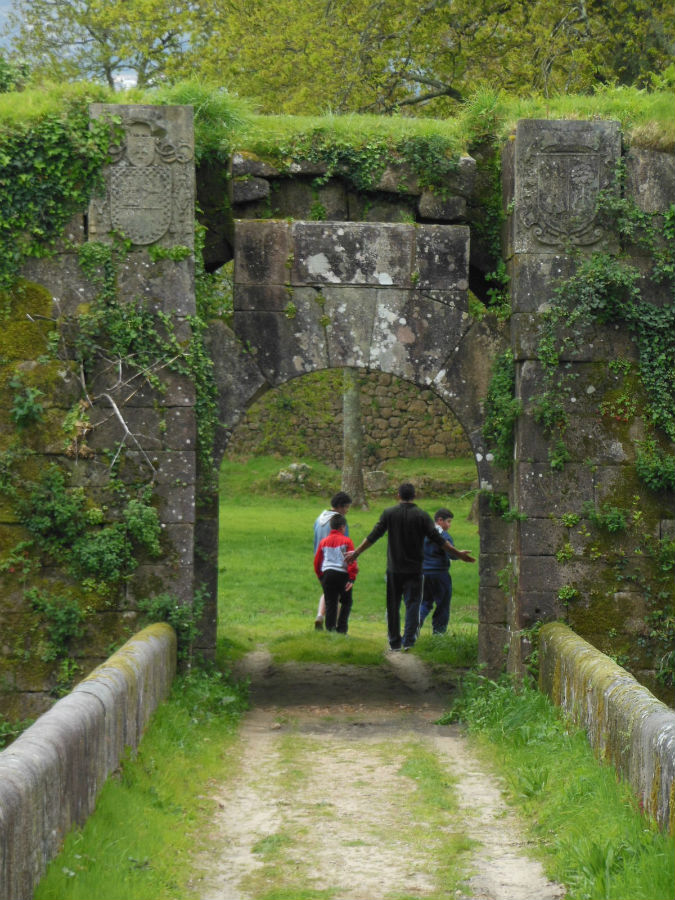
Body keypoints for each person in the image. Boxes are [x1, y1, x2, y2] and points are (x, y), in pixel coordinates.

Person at [345, 483, 475, 651]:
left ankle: (394, 642)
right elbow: (439, 540)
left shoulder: (389, 513)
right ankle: (408, 641)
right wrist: (457, 554)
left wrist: (356, 553)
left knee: (393, 606)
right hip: (415, 570)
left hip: (394, 568)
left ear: (398, 496)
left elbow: (373, 536)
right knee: (413, 604)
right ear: (415, 496)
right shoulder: (422, 516)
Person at [313, 491, 352, 629]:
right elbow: (345, 545)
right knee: (340, 598)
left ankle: (320, 616)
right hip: (337, 565)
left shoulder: (319, 519)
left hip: (321, 563)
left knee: (328, 593)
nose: (347, 511)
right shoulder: (339, 521)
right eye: (347, 507)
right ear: (340, 507)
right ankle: (337, 628)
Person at [420, 508, 455, 635]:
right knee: (443, 604)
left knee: (424, 602)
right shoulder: (444, 536)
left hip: (423, 573)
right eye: (448, 521)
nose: (449, 525)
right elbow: (452, 554)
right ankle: (439, 633)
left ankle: (414, 625)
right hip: (440, 574)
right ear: (440, 520)